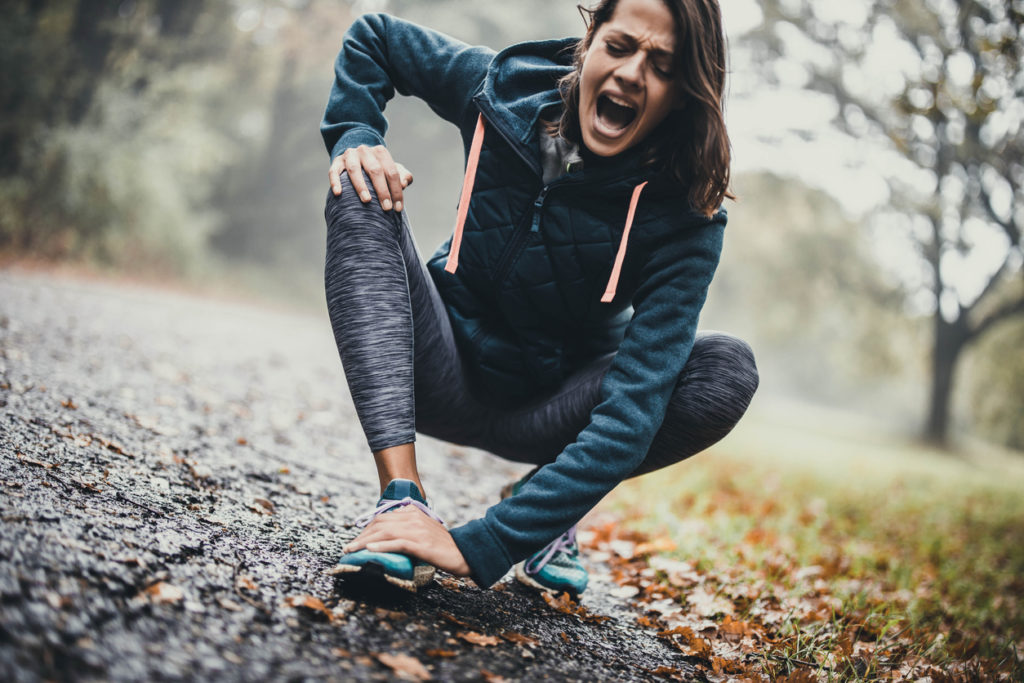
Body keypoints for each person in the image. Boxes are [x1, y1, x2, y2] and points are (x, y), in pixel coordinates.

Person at [321, 0, 758, 595]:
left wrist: (486, 544)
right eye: (622, 45)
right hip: (438, 367)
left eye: (662, 65)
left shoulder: (685, 215)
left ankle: (542, 505)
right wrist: (356, 133)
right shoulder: (501, 94)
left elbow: (631, 414)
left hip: (551, 414)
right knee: (359, 181)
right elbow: (376, 36)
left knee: (725, 371)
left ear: (682, 93)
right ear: (589, 41)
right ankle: (402, 501)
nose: (632, 73)